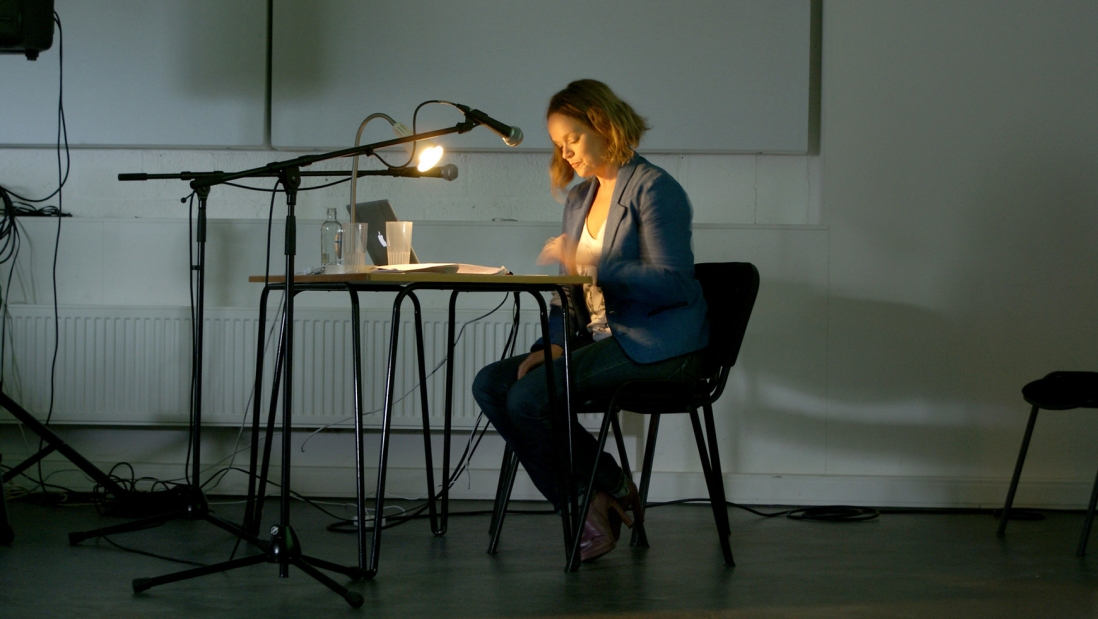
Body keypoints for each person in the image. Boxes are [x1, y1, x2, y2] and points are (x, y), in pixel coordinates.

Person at [472, 79, 709, 562]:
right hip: (598, 339)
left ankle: (591, 502)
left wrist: (595, 263)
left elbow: (675, 284)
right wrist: (554, 343)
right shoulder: (580, 199)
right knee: (492, 385)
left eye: (573, 138)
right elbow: (569, 294)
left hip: (657, 343)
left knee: (530, 399)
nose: (565, 152)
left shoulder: (655, 188)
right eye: (558, 143)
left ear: (603, 125)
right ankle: (599, 493)